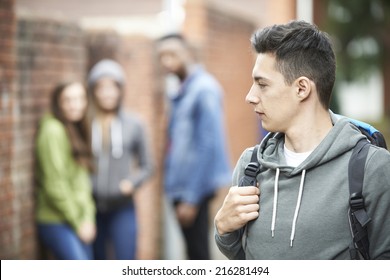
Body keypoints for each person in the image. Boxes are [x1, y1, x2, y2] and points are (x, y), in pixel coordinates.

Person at [214, 20, 390, 260]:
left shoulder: (373, 168)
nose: (250, 97)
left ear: (302, 89)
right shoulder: (250, 166)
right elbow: (243, 261)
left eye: (262, 84)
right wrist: (224, 230)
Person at [156, 34, 232, 260]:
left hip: (193, 189)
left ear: (187, 53)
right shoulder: (182, 89)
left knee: (198, 255)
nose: (166, 62)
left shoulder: (203, 89)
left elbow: (208, 146)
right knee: (192, 252)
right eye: (162, 57)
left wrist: (191, 197)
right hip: (181, 185)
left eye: (172, 55)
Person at [87, 59, 153, 260]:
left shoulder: (134, 124)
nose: (107, 93)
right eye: (101, 87)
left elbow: (148, 166)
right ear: (94, 91)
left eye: (112, 87)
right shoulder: (86, 123)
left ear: (120, 90)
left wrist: (131, 183)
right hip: (90, 208)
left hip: (122, 207)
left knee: (126, 260)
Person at [35, 81, 96, 260]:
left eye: (79, 99)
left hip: (79, 220)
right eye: (68, 100)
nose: (74, 105)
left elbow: (83, 183)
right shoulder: (52, 130)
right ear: (58, 103)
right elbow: (55, 185)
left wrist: (89, 219)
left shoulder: (75, 128)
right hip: (56, 220)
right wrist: (79, 222)